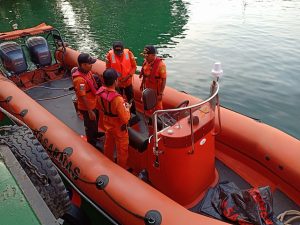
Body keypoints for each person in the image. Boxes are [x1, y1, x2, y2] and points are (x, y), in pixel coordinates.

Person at [96, 68, 131, 169]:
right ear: (115, 81)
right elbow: (125, 119)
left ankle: (108, 162)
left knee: (108, 144)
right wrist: (127, 108)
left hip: (107, 123)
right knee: (122, 150)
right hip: (119, 128)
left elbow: (98, 107)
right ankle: (121, 169)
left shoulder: (99, 93)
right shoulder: (117, 99)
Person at [72, 53, 100, 148]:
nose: (91, 65)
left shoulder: (87, 72)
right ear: (83, 65)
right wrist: (89, 111)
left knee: (95, 122)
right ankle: (92, 143)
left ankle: (95, 135)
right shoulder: (80, 80)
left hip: (93, 102)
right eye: (89, 63)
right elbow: (82, 96)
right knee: (89, 125)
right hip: (87, 107)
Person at [106, 41, 137, 114]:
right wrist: (114, 79)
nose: (119, 53)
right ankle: (120, 113)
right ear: (113, 50)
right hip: (117, 83)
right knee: (118, 99)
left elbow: (134, 66)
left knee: (131, 98)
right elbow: (108, 69)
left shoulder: (128, 53)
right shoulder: (109, 55)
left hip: (128, 81)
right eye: (117, 52)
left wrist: (128, 76)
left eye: (120, 51)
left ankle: (133, 113)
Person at [139, 45, 167, 111]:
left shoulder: (161, 65)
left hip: (156, 90)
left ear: (153, 55)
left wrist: (160, 93)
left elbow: (164, 79)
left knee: (158, 106)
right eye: (145, 55)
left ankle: (158, 118)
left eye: (147, 55)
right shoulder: (146, 61)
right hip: (147, 87)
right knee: (148, 103)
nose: (145, 57)